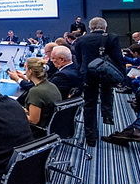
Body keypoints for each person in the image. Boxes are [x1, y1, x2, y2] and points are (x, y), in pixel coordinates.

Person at [73, 17, 125, 145]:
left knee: (89, 105)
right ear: (105, 27)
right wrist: (122, 77)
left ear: (90, 27)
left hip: (88, 75)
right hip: (106, 74)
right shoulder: (112, 38)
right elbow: (118, 58)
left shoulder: (81, 39)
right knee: (107, 94)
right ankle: (107, 116)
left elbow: (79, 60)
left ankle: (91, 137)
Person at [21, 57, 62, 130]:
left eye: (25, 69)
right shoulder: (52, 85)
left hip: (37, 130)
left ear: (30, 71)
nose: (25, 72)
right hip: (52, 127)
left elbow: (33, 120)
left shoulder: (35, 92)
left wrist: (16, 114)